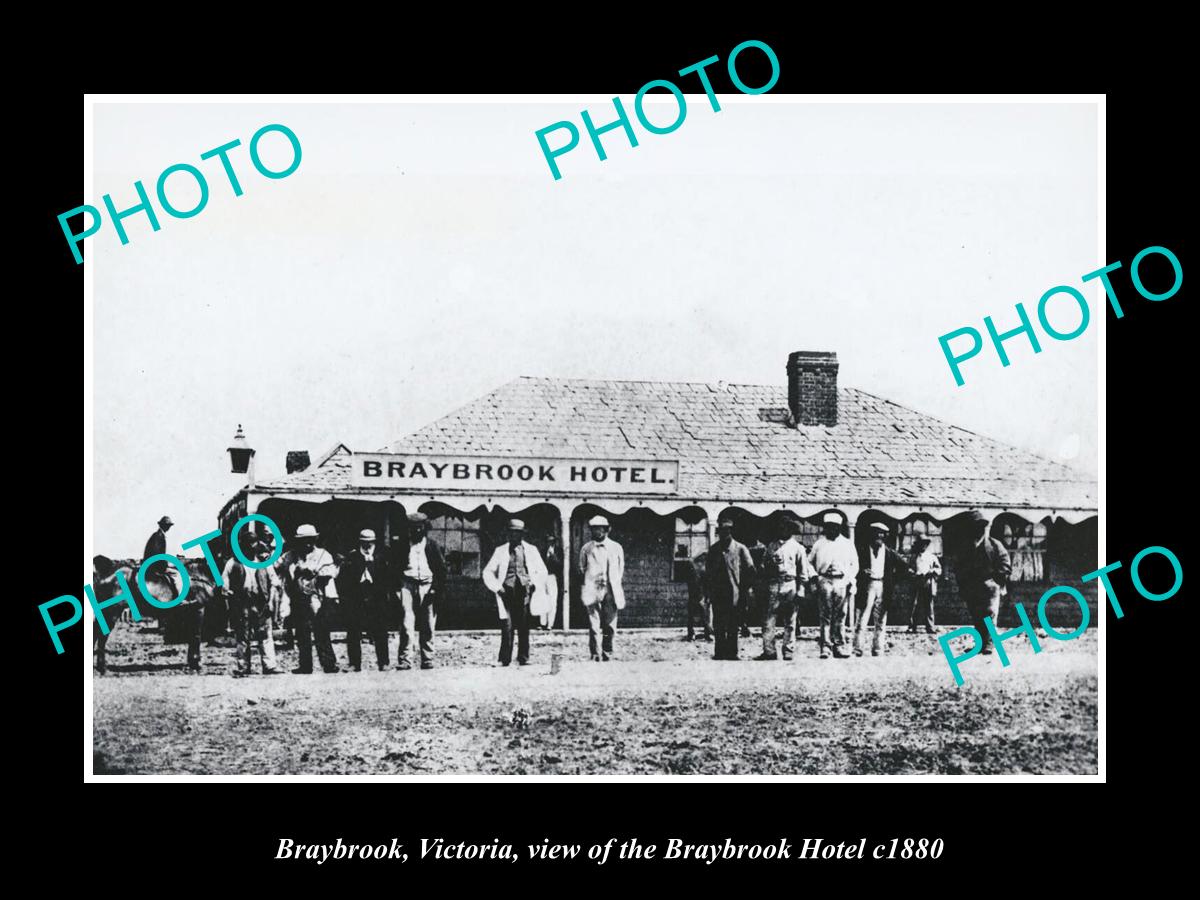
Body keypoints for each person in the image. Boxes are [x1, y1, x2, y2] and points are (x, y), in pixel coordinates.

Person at [482, 519, 549, 666]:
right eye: (512, 533)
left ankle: (523, 658)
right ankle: (504, 659)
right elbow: (487, 572)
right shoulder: (500, 551)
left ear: (522, 534)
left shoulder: (531, 550)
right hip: (507, 593)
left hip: (524, 592)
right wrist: (497, 587)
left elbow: (542, 571)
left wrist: (533, 583)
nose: (514, 536)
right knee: (507, 626)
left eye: (517, 533)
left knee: (524, 626)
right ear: (508, 534)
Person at [281, 523, 340, 674]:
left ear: (315, 539)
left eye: (310, 539)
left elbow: (331, 572)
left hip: (320, 597)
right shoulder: (290, 556)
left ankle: (329, 664)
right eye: (303, 540)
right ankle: (305, 665)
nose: (307, 543)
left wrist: (315, 572)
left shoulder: (324, 554)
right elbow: (279, 566)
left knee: (321, 631)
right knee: (302, 632)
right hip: (299, 598)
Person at [393, 512, 447, 670]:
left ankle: (428, 658)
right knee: (406, 624)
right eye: (413, 528)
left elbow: (441, 570)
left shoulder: (432, 545)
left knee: (428, 624)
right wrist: (397, 589)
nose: (416, 531)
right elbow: (394, 568)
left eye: (419, 528)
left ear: (425, 529)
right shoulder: (402, 545)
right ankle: (405, 660)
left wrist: (435, 589)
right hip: (407, 585)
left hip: (427, 586)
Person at [756, 519, 815, 661]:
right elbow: (763, 566)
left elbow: (803, 571)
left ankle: (788, 651)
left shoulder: (798, 548)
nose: (783, 530)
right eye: (780, 527)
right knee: (769, 619)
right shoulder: (771, 546)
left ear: (791, 530)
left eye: (786, 528)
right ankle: (769, 651)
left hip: (790, 584)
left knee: (790, 620)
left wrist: (801, 589)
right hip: (774, 584)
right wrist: (767, 567)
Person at [224, 533, 282, 677]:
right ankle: (243, 667)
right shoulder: (233, 562)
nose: (250, 546)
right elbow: (224, 583)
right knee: (242, 636)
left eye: (253, 542)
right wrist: (229, 594)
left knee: (265, 635)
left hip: (261, 603)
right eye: (247, 543)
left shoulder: (263, 561)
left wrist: (271, 601)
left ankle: (269, 666)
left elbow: (275, 581)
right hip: (242, 603)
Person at [955, 511, 1012, 655]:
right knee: (976, 615)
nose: (979, 530)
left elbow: (1005, 564)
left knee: (990, 615)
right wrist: (963, 584)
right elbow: (959, 567)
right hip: (971, 586)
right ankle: (980, 644)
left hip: (989, 585)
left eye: (982, 526)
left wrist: (996, 580)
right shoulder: (965, 547)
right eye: (976, 526)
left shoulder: (994, 545)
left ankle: (989, 645)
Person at [853, 523, 913, 657]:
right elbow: (852, 567)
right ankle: (858, 648)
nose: (879, 536)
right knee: (862, 618)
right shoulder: (862, 550)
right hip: (867, 586)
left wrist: (892, 579)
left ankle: (878, 648)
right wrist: (862, 572)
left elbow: (904, 566)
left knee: (880, 619)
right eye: (876, 533)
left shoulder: (889, 553)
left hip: (883, 586)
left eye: (882, 534)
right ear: (871, 534)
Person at [336, 529, 390, 672]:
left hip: (376, 597)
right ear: (360, 542)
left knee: (380, 630)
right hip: (356, 597)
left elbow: (387, 578)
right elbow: (343, 580)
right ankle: (354, 663)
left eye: (370, 542)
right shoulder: (352, 557)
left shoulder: (381, 557)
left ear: (374, 542)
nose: (367, 545)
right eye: (364, 543)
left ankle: (384, 662)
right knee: (353, 630)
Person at [807, 512, 859, 659]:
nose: (832, 530)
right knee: (825, 615)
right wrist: (815, 577)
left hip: (842, 581)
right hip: (825, 581)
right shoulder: (819, 544)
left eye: (835, 527)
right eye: (829, 527)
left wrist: (849, 578)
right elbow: (808, 562)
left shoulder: (847, 544)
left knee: (841, 615)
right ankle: (826, 646)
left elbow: (855, 564)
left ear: (839, 528)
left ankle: (839, 645)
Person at [706, 518, 756, 660]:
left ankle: (732, 652)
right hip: (719, 592)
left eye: (727, 531)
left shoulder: (740, 549)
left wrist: (746, 589)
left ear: (731, 532)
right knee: (719, 624)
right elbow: (708, 572)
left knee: (733, 623)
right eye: (721, 531)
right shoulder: (714, 550)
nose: (724, 534)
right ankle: (720, 652)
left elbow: (750, 570)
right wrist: (709, 591)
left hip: (735, 592)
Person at [578, 515, 625, 661]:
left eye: (600, 529)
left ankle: (607, 651)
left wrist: (613, 582)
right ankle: (595, 653)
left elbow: (620, 568)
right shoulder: (586, 549)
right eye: (594, 529)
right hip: (593, 588)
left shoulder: (616, 547)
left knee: (610, 624)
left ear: (607, 530)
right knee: (594, 624)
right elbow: (581, 568)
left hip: (610, 589)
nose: (597, 532)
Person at [677, 547, 712, 642]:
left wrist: (706, 596)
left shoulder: (703, 568)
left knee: (701, 615)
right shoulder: (695, 566)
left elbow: (707, 583)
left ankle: (704, 634)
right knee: (697, 615)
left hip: (699, 594)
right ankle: (695, 634)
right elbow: (692, 581)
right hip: (695, 594)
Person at [907, 537, 942, 634]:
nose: (923, 546)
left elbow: (939, 570)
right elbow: (909, 568)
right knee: (915, 605)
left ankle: (930, 627)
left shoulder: (932, 557)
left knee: (929, 606)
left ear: (927, 545)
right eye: (921, 544)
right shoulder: (913, 557)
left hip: (928, 583)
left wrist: (932, 571)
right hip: (917, 582)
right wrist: (913, 573)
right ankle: (912, 626)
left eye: (925, 544)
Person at [143, 515, 181, 599]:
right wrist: (164, 566)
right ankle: (178, 599)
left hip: (150, 565)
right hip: (154, 567)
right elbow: (157, 555)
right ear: (163, 526)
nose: (168, 528)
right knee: (176, 575)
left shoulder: (157, 535)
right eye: (167, 526)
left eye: (169, 526)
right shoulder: (159, 536)